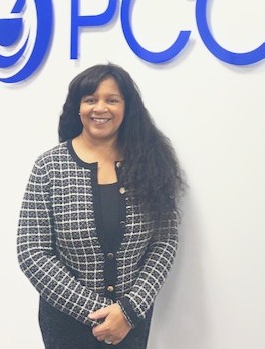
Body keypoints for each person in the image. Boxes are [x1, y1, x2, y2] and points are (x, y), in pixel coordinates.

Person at [17, 63, 186, 349]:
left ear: (127, 107)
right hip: (66, 323)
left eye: (112, 100)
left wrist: (128, 311)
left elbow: (164, 241)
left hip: (131, 321)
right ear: (78, 107)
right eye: (90, 99)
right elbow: (32, 252)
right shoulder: (49, 166)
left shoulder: (151, 163)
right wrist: (99, 313)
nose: (100, 108)